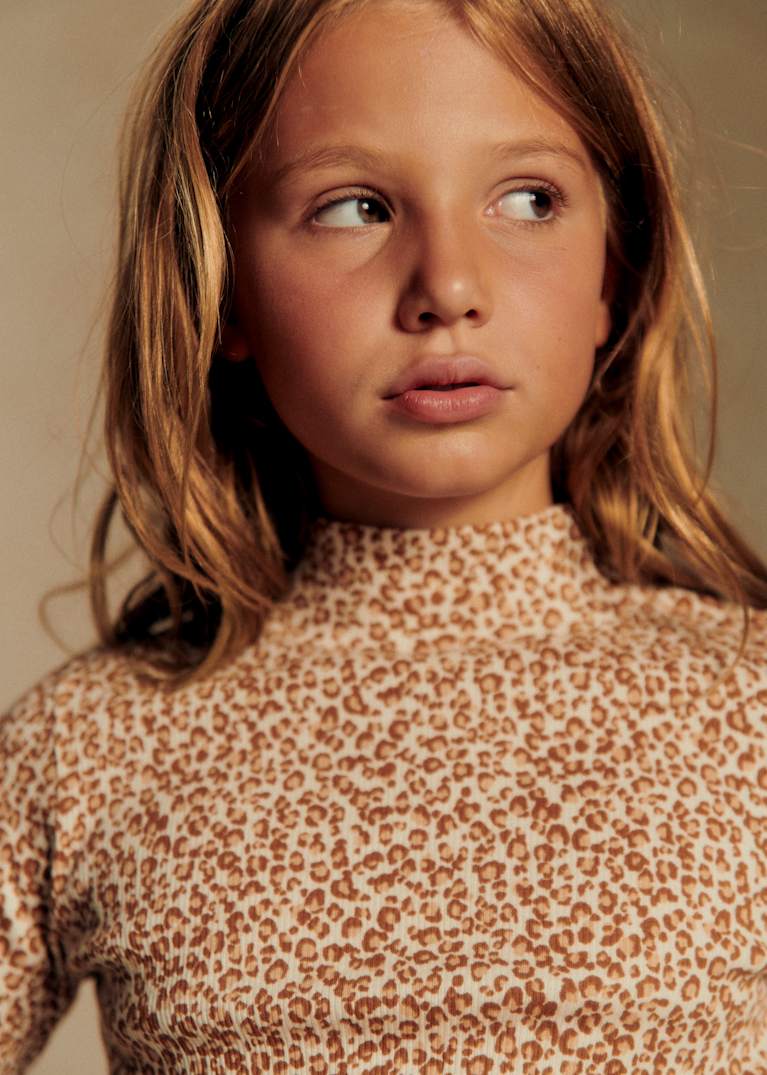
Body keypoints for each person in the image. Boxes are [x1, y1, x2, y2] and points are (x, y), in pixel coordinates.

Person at [2, 0, 767, 1071]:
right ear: (223, 287)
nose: (448, 286)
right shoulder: (88, 750)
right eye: (353, 208)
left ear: (612, 267)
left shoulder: (746, 710)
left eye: (527, 198)